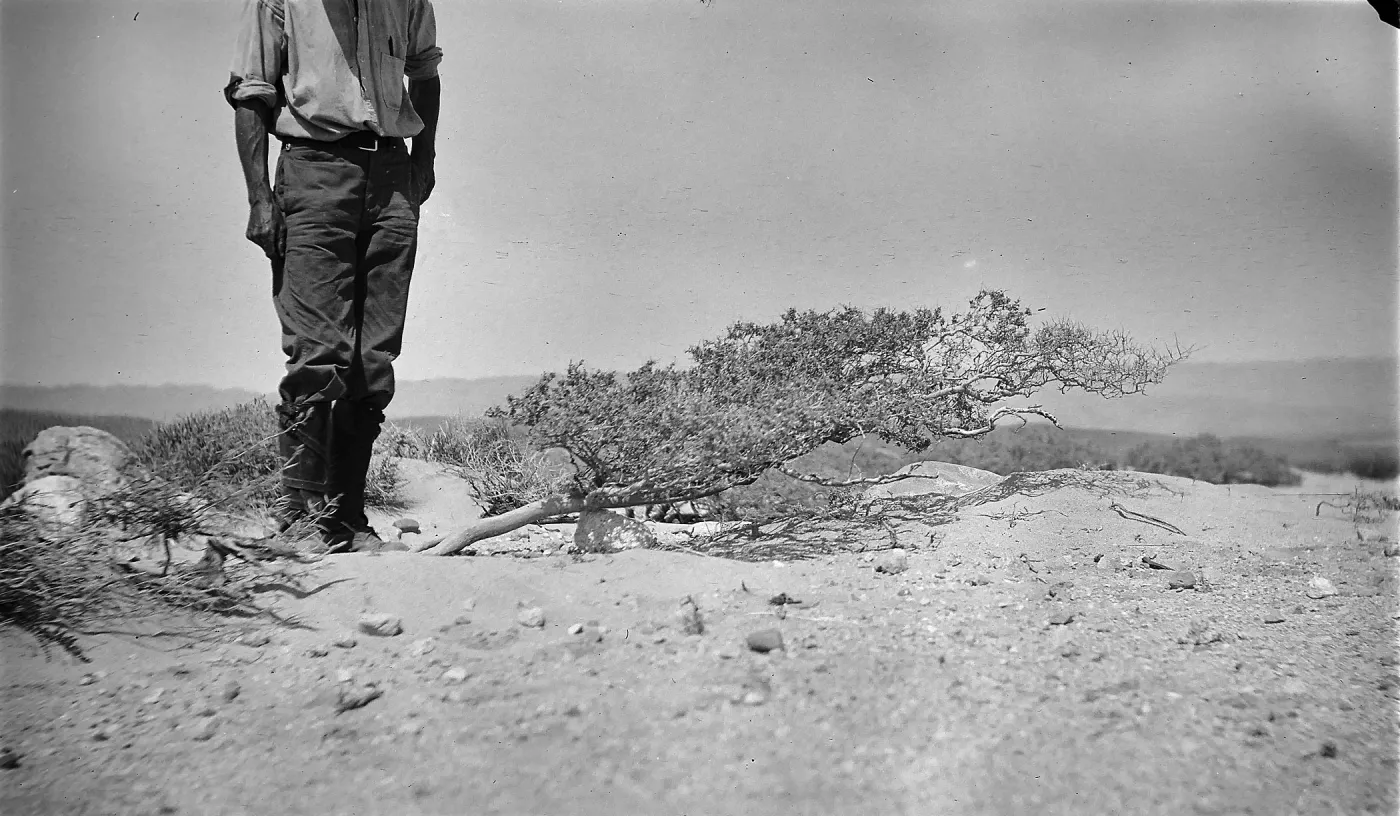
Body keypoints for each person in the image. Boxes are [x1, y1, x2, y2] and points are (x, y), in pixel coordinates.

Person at [224, 0, 442, 552]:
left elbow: (424, 72)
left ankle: (346, 518)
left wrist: (424, 160)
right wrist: (259, 199)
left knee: (374, 356)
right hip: (313, 170)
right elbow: (252, 92)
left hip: (392, 175)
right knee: (318, 351)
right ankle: (301, 517)